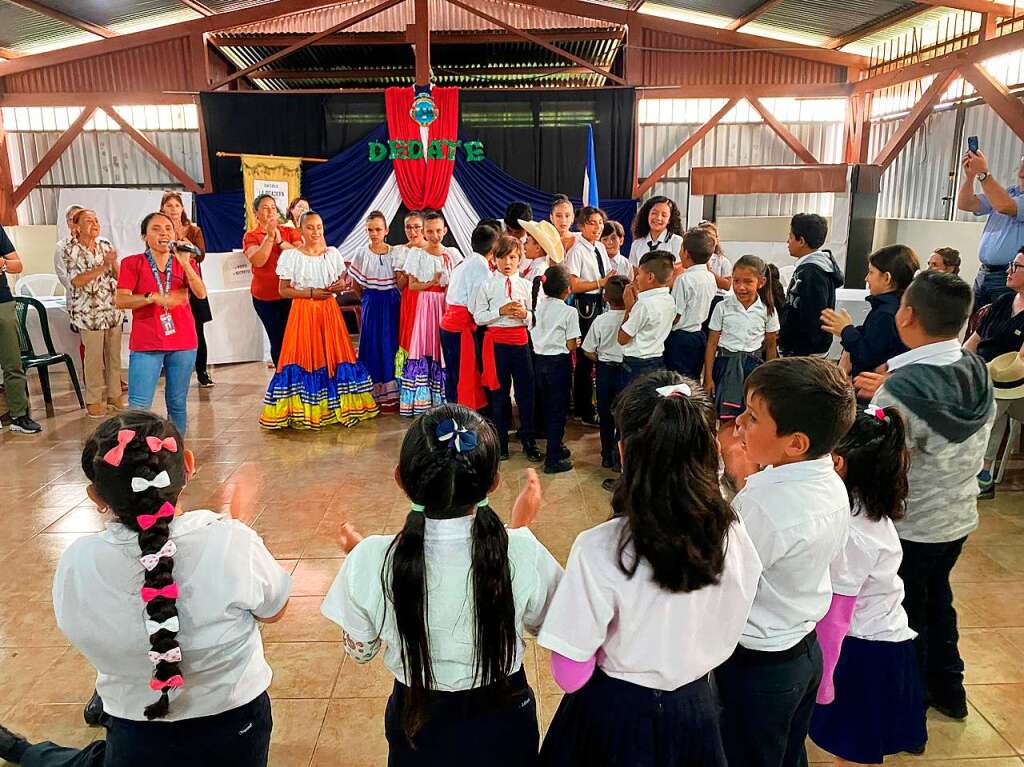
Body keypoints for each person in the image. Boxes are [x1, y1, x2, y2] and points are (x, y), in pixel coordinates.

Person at [0, 411, 291, 767]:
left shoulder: (78, 562)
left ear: (95, 495)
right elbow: (274, 610)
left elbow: (82, 632)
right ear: (188, 465)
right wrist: (236, 538)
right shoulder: (232, 541)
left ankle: (26, 753)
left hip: (135, 727)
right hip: (236, 726)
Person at [537, 371, 761, 767]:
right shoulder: (735, 532)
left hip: (615, 716)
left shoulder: (601, 548)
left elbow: (569, 673)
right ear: (712, 448)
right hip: (696, 706)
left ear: (624, 453)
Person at [321, 405, 562, 766]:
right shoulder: (522, 550)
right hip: (506, 722)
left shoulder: (370, 559)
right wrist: (515, 532)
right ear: (494, 482)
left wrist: (369, 564)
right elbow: (550, 624)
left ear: (400, 478)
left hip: (418, 724)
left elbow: (361, 651)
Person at [717, 356, 856, 767]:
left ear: (795, 443)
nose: (740, 422)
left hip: (758, 664)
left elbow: (726, 577)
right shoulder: (828, 479)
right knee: (787, 750)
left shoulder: (762, 503)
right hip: (802, 649)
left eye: (754, 417)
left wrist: (732, 486)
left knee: (749, 754)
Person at [871, 271, 995, 721]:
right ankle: (951, 689)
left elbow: (884, 463)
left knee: (905, 613)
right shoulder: (975, 370)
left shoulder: (901, 389)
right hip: (958, 515)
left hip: (912, 521)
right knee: (936, 598)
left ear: (907, 315)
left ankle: (912, 700)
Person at [809, 404, 927, 765]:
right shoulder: (865, 510)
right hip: (877, 641)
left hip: (863, 651)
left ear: (839, 463)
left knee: (855, 750)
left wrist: (824, 680)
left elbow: (837, 616)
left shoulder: (854, 533)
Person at [259, 211, 378, 430]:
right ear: (301, 230)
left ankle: (335, 407)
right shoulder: (292, 257)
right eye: (310, 227)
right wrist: (311, 292)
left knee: (333, 357)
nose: (316, 231)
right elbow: (283, 290)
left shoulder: (331, 254)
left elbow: (341, 282)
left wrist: (340, 287)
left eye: (319, 227)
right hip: (303, 312)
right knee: (306, 357)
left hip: (329, 311)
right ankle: (307, 409)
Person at [116, 212, 206, 435]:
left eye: (168, 228)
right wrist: (151, 297)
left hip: (183, 341)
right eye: (156, 229)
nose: (164, 233)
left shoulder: (182, 262)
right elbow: (120, 300)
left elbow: (201, 293)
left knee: (177, 404)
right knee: (139, 407)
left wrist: (186, 264)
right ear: (144, 236)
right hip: (147, 343)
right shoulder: (132, 263)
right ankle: (134, 457)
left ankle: (176, 457)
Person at [472, 236, 540, 462]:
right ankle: (500, 443)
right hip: (496, 346)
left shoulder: (527, 285)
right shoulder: (486, 285)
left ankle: (529, 440)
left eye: (512, 257)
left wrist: (526, 316)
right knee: (498, 396)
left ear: (519, 259)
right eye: (502, 257)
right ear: (495, 259)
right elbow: (479, 317)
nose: (507, 262)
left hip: (521, 344)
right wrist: (500, 311)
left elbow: (536, 316)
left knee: (526, 394)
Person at [964, 247, 1024, 498]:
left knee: (995, 399)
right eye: (1010, 264)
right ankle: (979, 471)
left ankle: (981, 471)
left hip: (1017, 383)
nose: (1008, 271)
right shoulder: (1002, 302)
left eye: (1016, 267)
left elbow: (1019, 363)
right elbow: (973, 341)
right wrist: (957, 364)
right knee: (990, 396)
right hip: (986, 375)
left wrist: (983, 374)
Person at [821, 244, 918, 382]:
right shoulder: (894, 305)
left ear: (886, 278)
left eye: (871, 272)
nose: (866, 278)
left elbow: (867, 355)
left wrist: (846, 331)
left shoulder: (886, 313)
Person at [399, 211, 463, 417]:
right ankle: (422, 400)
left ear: (444, 230)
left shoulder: (453, 254)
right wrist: (433, 282)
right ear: (424, 232)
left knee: (443, 348)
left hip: (446, 305)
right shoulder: (417, 254)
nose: (435, 235)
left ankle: (446, 397)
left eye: (438, 231)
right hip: (426, 305)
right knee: (426, 346)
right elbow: (413, 285)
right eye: (429, 231)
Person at [703, 255, 781, 421]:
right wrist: (708, 378)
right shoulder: (722, 307)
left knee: (750, 414)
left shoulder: (768, 310)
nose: (740, 287)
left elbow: (771, 346)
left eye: (748, 282)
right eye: (736, 281)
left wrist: (769, 378)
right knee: (724, 417)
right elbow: (711, 344)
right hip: (725, 366)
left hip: (753, 368)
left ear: (761, 282)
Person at [62, 209, 124, 418]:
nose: (95, 224)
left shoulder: (105, 245)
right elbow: (76, 281)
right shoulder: (70, 249)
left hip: (112, 310)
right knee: (94, 359)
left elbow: (119, 275)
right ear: (77, 227)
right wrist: (102, 266)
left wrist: (113, 264)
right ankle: (94, 400)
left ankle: (115, 395)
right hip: (89, 314)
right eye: (89, 221)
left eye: (96, 220)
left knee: (114, 357)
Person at [565, 205, 616, 426]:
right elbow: (573, 284)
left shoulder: (600, 248)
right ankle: (583, 408)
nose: (597, 228)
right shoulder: (577, 250)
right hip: (585, 303)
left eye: (600, 223)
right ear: (581, 226)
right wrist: (600, 283)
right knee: (586, 356)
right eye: (592, 223)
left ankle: (589, 404)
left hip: (600, 301)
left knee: (596, 351)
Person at [957, 150, 1024, 312]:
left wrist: (983, 174)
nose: (1021, 172)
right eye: (1021, 167)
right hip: (985, 272)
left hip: (1007, 275)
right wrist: (970, 177)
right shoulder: (1008, 193)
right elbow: (966, 204)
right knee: (975, 322)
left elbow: (1004, 206)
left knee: (996, 327)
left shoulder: (1005, 199)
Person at [348, 211, 401, 413]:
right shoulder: (362, 253)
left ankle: (392, 394)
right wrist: (368, 299)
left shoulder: (395, 252)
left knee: (390, 344)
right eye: (370, 229)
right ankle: (372, 392)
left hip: (391, 303)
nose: (374, 233)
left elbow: (400, 282)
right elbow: (355, 285)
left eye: (378, 229)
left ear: (386, 230)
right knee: (370, 345)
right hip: (371, 301)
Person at [439, 223, 496, 409]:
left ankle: (452, 409)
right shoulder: (481, 267)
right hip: (461, 326)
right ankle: (462, 413)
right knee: (464, 372)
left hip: (448, 323)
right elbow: (475, 305)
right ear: (494, 247)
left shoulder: (465, 261)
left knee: (454, 371)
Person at [531, 266, 581, 474]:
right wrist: (576, 342)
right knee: (558, 412)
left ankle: (556, 447)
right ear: (567, 290)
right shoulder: (569, 312)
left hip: (539, 362)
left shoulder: (537, 307)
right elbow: (571, 345)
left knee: (546, 408)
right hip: (558, 365)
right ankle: (552, 458)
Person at [160, 192, 214, 389]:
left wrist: (187, 245)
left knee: (198, 329)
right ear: (162, 208)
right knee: (170, 326)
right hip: (168, 284)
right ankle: (171, 371)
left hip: (191, 282)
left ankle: (202, 371)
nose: (173, 209)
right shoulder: (159, 231)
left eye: (177, 205)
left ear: (183, 208)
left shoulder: (193, 229)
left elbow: (200, 255)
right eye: (169, 205)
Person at [243, 194, 302, 368]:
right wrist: (269, 238)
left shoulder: (289, 231)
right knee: (278, 340)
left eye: (273, 208)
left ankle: (298, 376)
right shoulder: (251, 236)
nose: (270, 212)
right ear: (256, 213)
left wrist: (280, 240)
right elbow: (258, 260)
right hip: (266, 298)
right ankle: (282, 380)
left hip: (290, 293)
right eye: (265, 208)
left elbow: (301, 255)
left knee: (295, 339)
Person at [779, 213, 843, 357]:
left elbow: (813, 315)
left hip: (805, 352)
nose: (787, 241)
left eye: (790, 236)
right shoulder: (808, 268)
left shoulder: (812, 272)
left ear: (801, 241)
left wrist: (798, 347)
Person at [581, 276, 628, 471]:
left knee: (605, 413)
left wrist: (600, 358)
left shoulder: (600, 320)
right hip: (625, 368)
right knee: (623, 414)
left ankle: (606, 454)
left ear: (606, 297)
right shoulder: (631, 317)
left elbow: (588, 350)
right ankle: (620, 455)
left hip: (605, 369)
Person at [0, 227, 41, 434]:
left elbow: (17, 265)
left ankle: (19, 415)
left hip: (2, 302)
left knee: (12, 362)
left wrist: (4, 263)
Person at [666, 227, 718, 379]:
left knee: (676, 381)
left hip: (680, 338)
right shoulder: (710, 277)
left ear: (686, 253)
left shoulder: (684, 279)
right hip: (699, 335)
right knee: (692, 380)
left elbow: (676, 314)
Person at [617, 251, 675, 383]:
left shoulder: (644, 305)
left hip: (636, 365)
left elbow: (622, 338)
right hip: (657, 360)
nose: (636, 278)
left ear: (650, 277)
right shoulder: (669, 300)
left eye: (639, 274)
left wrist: (628, 308)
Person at [394, 210, 427, 376]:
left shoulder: (431, 249)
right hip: (409, 299)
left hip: (428, 299)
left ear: (423, 227)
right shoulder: (400, 251)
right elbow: (399, 285)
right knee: (409, 335)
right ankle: (409, 377)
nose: (412, 232)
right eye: (408, 227)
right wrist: (409, 268)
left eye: (416, 227)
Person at [628, 195, 684, 268]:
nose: (658, 218)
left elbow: (679, 269)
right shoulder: (637, 244)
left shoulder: (677, 241)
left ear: (669, 220)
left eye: (664, 215)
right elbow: (633, 273)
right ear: (647, 214)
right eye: (654, 213)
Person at [698, 220, 733, 331]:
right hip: (698, 298)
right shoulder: (692, 259)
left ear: (717, 240)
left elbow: (727, 285)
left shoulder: (722, 261)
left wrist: (709, 272)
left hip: (715, 299)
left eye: (711, 236)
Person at [520, 219, 563, 284]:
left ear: (537, 248)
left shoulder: (539, 270)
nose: (523, 244)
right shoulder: (535, 266)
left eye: (527, 242)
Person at [53, 203, 84, 294]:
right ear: (67, 223)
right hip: (76, 296)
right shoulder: (61, 246)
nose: (76, 221)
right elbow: (63, 275)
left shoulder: (100, 243)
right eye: (71, 219)